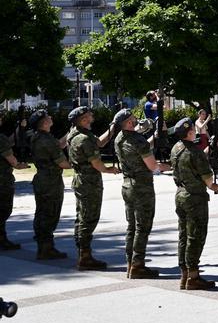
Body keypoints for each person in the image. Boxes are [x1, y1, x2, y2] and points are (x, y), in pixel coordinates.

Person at [169, 117, 218, 289]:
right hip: (195, 198)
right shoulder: (195, 152)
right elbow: (207, 178)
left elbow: (194, 160)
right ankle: (193, 276)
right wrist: (216, 187)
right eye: (193, 128)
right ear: (190, 132)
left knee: (184, 235)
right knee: (196, 236)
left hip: (180, 195)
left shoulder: (176, 148)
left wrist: (210, 147)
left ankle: (184, 274)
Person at [115, 108, 170, 279]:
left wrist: (153, 138)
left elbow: (140, 149)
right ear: (129, 123)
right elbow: (153, 166)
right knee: (143, 226)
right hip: (141, 187)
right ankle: (138, 265)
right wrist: (168, 166)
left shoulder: (119, 138)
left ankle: (131, 263)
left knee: (132, 227)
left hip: (127, 185)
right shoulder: (139, 141)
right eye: (134, 118)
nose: (137, 120)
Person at [66, 106, 120, 270]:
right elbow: (97, 163)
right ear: (83, 119)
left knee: (82, 216)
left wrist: (113, 126)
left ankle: (82, 251)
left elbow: (100, 142)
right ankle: (85, 256)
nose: (92, 115)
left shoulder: (78, 133)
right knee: (89, 218)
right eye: (89, 115)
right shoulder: (83, 138)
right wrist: (108, 170)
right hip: (88, 182)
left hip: (82, 180)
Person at [30, 110, 70, 259]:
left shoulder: (36, 137)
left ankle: (43, 245)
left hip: (41, 179)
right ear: (44, 122)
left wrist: (68, 134)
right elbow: (64, 164)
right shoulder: (48, 140)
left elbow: (57, 145)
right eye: (48, 117)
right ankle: (46, 248)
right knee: (51, 213)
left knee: (41, 212)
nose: (51, 117)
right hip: (51, 182)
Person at [1, 123, 30, 250]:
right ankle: (2, 239)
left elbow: (9, 142)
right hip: (2, 181)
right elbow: (11, 159)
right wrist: (19, 165)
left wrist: (20, 127)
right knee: (3, 210)